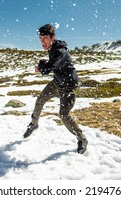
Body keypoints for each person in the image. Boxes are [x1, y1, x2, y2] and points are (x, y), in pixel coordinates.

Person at [23, 24, 88, 154]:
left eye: (45, 38)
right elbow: (51, 67)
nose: (42, 41)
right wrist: (43, 67)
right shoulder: (53, 48)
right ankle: (34, 124)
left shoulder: (60, 51)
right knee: (40, 99)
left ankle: (82, 139)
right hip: (57, 82)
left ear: (53, 37)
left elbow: (47, 69)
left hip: (68, 85)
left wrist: (41, 65)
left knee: (63, 115)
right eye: (40, 38)